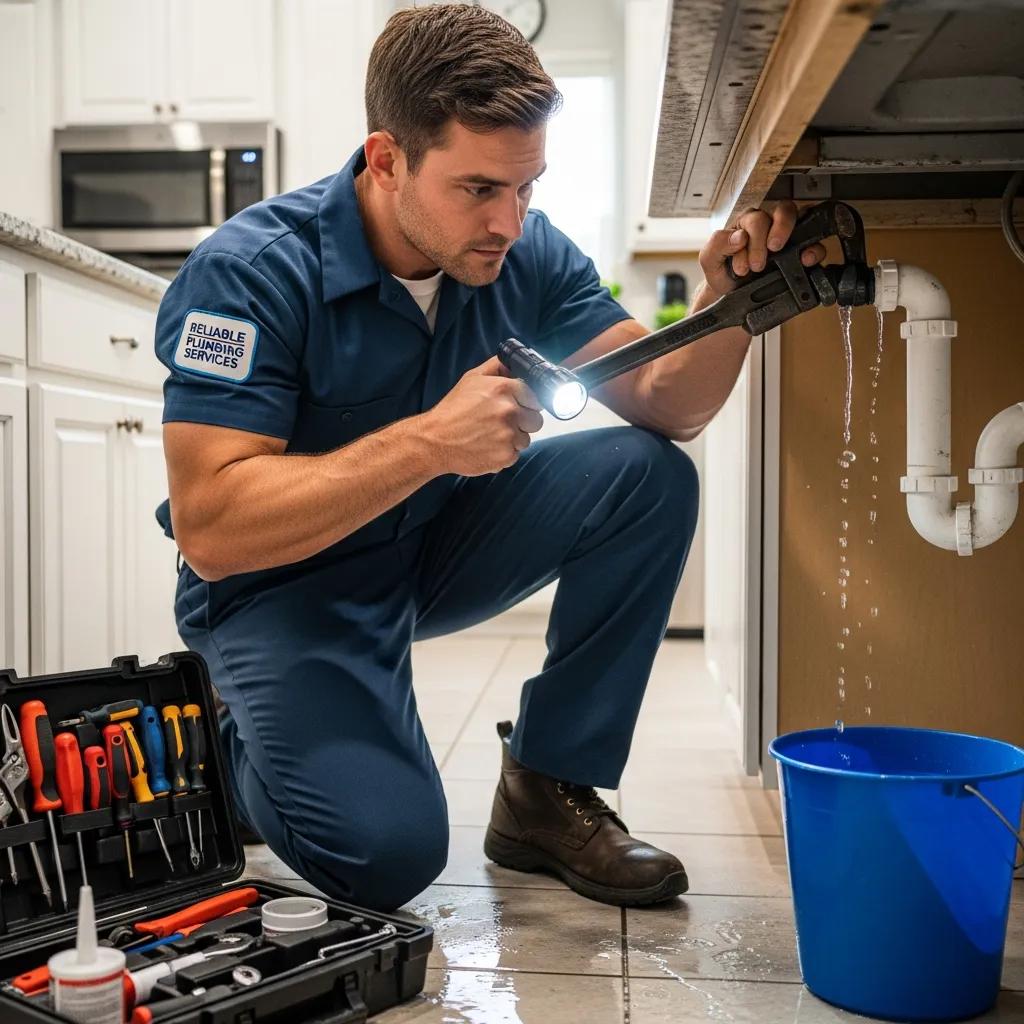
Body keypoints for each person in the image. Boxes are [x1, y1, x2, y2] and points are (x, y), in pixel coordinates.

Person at [155, 4, 825, 911]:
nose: (509, 222)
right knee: (385, 856)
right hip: (281, 583)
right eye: (479, 189)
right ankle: (225, 740)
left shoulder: (520, 253)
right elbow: (212, 529)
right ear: (388, 159)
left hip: (429, 546)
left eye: (528, 188)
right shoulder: (251, 273)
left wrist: (730, 304)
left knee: (646, 475)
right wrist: (431, 440)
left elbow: (669, 404)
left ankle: (544, 792)